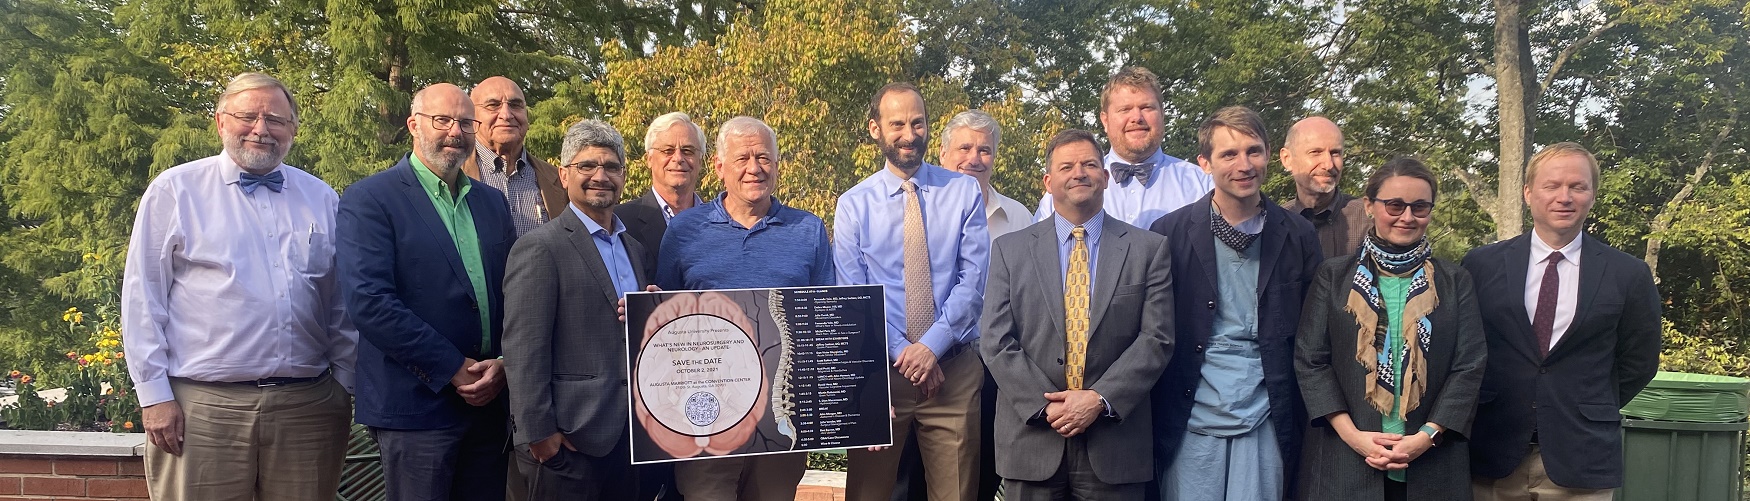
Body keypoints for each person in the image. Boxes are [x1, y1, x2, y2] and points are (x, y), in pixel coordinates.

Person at [120, 72, 355, 501]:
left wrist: (344, 385)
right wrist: (154, 397)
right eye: (248, 116)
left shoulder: (321, 197)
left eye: (276, 120)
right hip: (202, 410)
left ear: (293, 130)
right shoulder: (176, 191)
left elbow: (339, 302)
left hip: (308, 410)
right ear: (220, 122)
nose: (261, 129)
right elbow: (143, 299)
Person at [337, 83, 516, 501]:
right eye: (442, 120)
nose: (455, 131)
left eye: (466, 122)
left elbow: (514, 293)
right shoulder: (370, 199)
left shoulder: (492, 203)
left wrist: (505, 363)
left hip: (490, 402)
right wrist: (452, 367)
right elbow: (369, 303)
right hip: (416, 407)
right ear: (413, 124)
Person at [982, 128, 1174, 500]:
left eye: (1089, 164)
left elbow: (1157, 339)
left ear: (1104, 177)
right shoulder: (1010, 250)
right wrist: (1045, 406)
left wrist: (1098, 399)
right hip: (1031, 437)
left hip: (1115, 441)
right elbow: (995, 340)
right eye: (1066, 166)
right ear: (1048, 181)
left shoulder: (1148, 249)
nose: (1079, 173)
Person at [1465, 143, 1662, 501]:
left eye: (1578, 186)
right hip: (1492, 450)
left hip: (1581, 459)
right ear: (1528, 193)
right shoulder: (1481, 266)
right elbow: (1463, 350)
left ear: (1592, 194)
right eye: (1552, 185)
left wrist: (1588, 404)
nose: (1564, 197)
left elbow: (1640, 361)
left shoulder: (1628, 274)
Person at [1148, 106, 1322, 500]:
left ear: (1268, 154)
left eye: (1253, 151)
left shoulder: (1298, 235)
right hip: (1192, 409)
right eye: (1228, 154)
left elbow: (1314, 334)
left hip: (1267, 410)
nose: (1243, 165)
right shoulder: (1169, 234)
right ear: (1205, 163)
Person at [654, 116, 833, 501]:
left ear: (777, 165)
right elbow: (664, 327)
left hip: (780, 428)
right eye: (742, 159)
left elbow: (826, 323)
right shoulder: (683, 231)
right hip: (705, 426)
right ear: (719, 167)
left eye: (764, 158)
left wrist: (859, 397)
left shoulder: (808, 230)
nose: (755, 168)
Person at [1294, 158, 1487, 501]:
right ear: (1369, 205)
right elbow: (1311, 360)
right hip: (1345, 461)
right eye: (1395, 205)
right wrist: (1353, 435)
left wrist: (1426, 436)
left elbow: (1469, 365)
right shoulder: (1334, 276)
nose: (1407, 216)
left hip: (1432, 463)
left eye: (1420, 206)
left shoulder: (1456, 281)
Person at [836, 82, 990, 501]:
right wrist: (909, 355)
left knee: (956, 494)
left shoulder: (963, 192)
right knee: (868, 493)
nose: (909, 133)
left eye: (918, 122)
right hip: (881, 374)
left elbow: (973, 282)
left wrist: (932, 347)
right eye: (898, 123)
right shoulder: (853, 204)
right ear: (875, 129)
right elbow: (854, 296)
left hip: (953, 373)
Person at [501, 119, 650, 500]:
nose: (600, 176)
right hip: (568, 441)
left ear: (623, 176)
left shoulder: (633, 249)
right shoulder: (540, 247)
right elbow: (523, 348)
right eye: (587, 166)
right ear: (564, 174)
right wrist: (539, 435)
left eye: (611, 166)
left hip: (629, 440)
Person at [891, 109, 1022, 501]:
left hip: (993, 369)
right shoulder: (919, 207)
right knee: (905, 482)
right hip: (914, 365)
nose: (974, 158)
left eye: (985, 150)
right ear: (944, 155)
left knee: (972, 482)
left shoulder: (1020, 217)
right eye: (964, 147)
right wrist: (926, 350)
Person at [1036, 66, 1211, 228]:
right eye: (1125, 109)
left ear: (1162, 115)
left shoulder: (1202, 185)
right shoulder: (1063, 190)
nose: (1137, 117)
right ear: (1105, 120)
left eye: (1146, 107)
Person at [462, 76, 568, 238]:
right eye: (493, 105)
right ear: (472, 116)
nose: (506, 114)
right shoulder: (454, 175)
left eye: (515, 105)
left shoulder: (557, 180)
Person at [617, 111, 707, 266]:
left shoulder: (721, 223)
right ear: (649, 159)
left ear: (700, 160)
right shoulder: (619, 222)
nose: (678, 158)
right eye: (668, 151)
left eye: (688, 151)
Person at [1279, 116, 1367, 258]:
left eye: (1335, 153)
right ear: (1287, 159)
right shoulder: (1275, 225)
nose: (1328, 164)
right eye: (1315, 152)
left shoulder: (1368, 221)